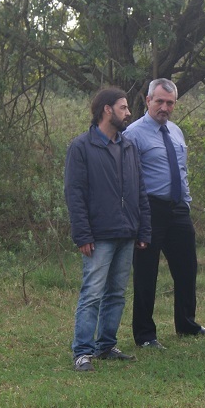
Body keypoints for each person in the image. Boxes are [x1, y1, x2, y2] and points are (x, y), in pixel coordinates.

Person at [121, 78, 205, 349]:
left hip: (177, 209)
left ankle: (186, 324)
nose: (164, 107)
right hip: (149, 210)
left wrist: (185, 202)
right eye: (159, 101)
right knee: (146, 273)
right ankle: (145, 335)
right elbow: (128, 180)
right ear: (148, 100)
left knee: (187, 268)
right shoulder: (133, 134)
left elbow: (181, 171)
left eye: (170, 102)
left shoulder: (175, 131)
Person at [64, 87, 151, 372]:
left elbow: (140, 191)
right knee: (92, 293)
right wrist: (83, 234)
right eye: (124, 108)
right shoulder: (81, 147)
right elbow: (74, 194)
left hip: (127, 233)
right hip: (98, 236)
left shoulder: (128, 147)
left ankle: (106, 345)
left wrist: (143, 230)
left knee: (116, 293)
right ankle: (82, 352)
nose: (129, 113)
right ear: (107, 110)